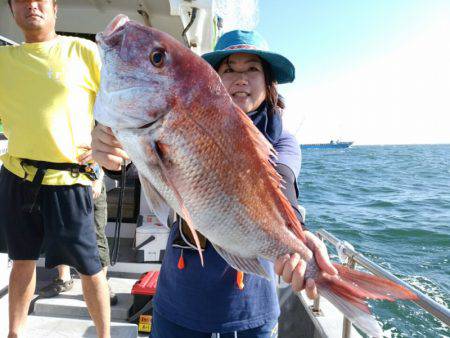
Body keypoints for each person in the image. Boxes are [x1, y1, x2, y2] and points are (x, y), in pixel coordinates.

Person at [92, 30, 337, 337]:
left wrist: (299, 237)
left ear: (269, 82)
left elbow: (284, 186)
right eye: (229, 69)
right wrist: (115, 158)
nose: (241, 78)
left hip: (251, 313)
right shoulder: (179, 122)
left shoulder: (282, 141)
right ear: (215, 80)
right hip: (178, 304)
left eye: (252, 69)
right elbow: (149, 172)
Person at [0, 1, 110, 337]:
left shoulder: (83, 51)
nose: (32, 4)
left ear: (54, 8)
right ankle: (15, 334)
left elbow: (115, 107)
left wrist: (103, 163)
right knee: (21, 260)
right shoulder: (3, 62)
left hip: (73, 179)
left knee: (91, 269)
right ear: (11, 9)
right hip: (19, 177)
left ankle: (104, 335)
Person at [38, 163, 118, 306]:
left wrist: (98, 181)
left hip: (90, 182)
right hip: (60, 182)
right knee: (59, 232)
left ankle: (102, 283)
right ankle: (64, 278)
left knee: (96, 234)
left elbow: (100, 154)